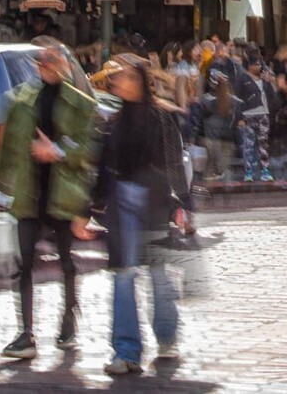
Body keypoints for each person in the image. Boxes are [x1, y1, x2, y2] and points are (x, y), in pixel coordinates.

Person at [0, 37, 97, 360]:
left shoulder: (80, 103)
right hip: (29, 193)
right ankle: (26, 333)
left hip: (62, 193)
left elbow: (89, 151)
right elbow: (5, 147)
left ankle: (68, 318)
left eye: (55, 60)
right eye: (43, 61)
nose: (49, 66)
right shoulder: (19, 101)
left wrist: (58, 151)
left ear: (65, 65)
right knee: (25, 263)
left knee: (66, 261)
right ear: (36, 66)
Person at [90, 54, 188, 374]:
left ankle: (166, 335)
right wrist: (87, 209)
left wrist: (183, 206)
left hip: (155, 203)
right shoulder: (114, 122)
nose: (121, 82)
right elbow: (104, 169)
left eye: (128, 77)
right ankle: (126, 350)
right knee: (123, 275)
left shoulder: (161, 118)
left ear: (142, 82)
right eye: (119, 78)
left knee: (158, 276)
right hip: (122, 204)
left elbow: (174, 163)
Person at [232, 49, 275, 183]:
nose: (259, 67)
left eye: (260, 64)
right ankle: (248, 171)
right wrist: (239, 117)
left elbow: (271, 96)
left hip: (263, 113)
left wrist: (268, 82)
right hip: (248, 114)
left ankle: (265, 170)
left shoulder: (264, 79)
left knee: (263, 143)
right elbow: (237, 99)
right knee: (248, 144)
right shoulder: (242, 78)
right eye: (256, 64)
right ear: (249, 65)